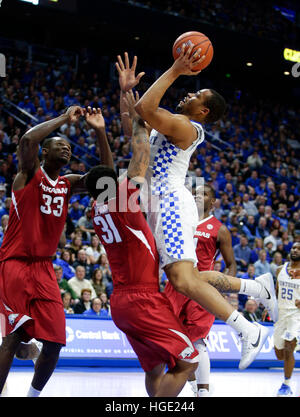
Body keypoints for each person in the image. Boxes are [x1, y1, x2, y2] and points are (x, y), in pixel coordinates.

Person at [117, 50, 276, 370]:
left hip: (171, 204)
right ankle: (255, 288)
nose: (189, 92)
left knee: (182, 281)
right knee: (184, 278)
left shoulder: (188, 128)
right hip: (160, 205)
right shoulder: (172, 125)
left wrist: (176, 69)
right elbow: (135, 132)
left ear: (203, 110)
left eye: (196, 94)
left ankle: (249, 330)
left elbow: (145, 109)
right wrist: (124, 93)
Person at [85, 90, 200, 397]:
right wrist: (139, 113)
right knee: (189, 362)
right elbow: (141, 157)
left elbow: (106, 172)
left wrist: (101, 133)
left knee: (154, 367)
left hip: (120, 302)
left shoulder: (97, 209)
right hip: (142, 300)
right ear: (114, 186)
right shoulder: (122, 198)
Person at [0, 104, 108, 397]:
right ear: (44, 152)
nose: (66, 149)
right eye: (59, 145)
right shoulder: (27, 174)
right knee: (12, 337)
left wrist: (100, 133)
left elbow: (107, 182)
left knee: (56, 341)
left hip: (45, 268)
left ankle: (32, 395)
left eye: (69, 147)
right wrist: (63, 119)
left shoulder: (68, 184)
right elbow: (26, 141)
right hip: (16, 263)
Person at [164, 182, 237, 397]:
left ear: (212, 202)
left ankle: (203, 391)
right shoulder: (180, 222)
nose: (197, 196)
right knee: (175, 339)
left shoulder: (219, 229)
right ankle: (195, 387)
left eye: (203, 194)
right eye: (194, 193)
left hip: (201, 286)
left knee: (197, 340)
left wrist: (222, 289)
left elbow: (231, 264)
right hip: (175, 285)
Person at [274, 242, 300, 397]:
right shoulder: (280, 270)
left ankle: (286, 384)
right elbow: (276, 292)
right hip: (281, 315)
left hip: (296, 315)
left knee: (290, 347)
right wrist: (268, 308)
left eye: (299, 249)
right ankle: (288, 367)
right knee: (280, 354)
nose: (295, 250)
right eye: (294, 248)